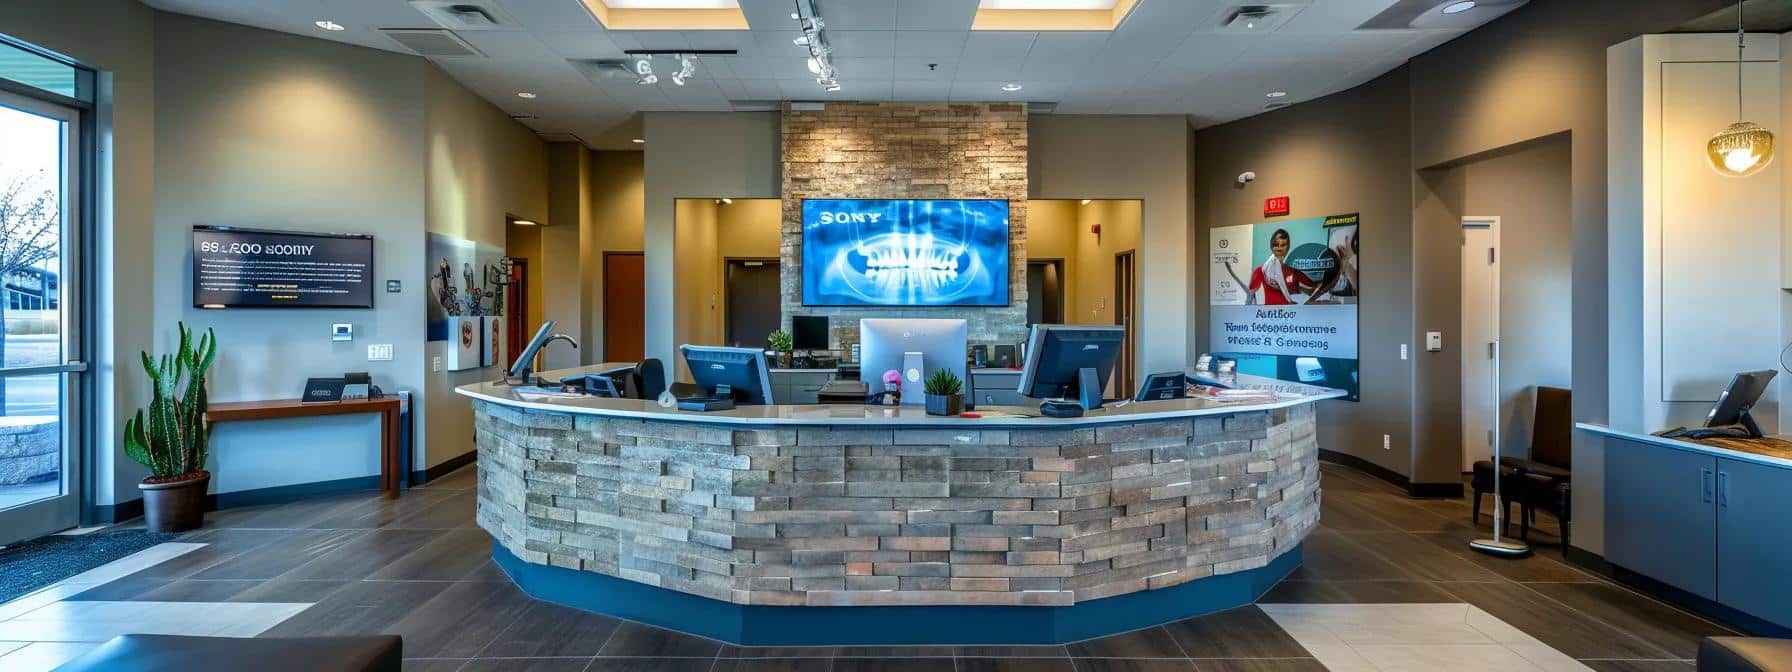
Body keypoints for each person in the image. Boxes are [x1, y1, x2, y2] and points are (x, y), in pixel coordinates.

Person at [1248, 228, 1318, 305]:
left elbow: (1314, 287)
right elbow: (1249, 296)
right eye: (1276, 245)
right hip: (1271, 315)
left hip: (1293, 314)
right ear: (1271, 247)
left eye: (1283, 245)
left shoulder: (1294, 270)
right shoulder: (1261, 271)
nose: (1279, 248)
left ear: (1288, 248)